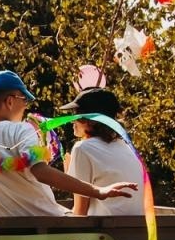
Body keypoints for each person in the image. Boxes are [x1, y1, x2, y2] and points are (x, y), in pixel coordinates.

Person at [0, 70, 135, 218]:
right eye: (24, 100)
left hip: (2, 231)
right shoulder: (21, 130)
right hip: (46, 224)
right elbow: (40, 172)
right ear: (10, 101)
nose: (26, 106)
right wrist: (98, 191)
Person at [60, 87, 146, 217]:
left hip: (103, 231)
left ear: (90, 121)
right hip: (135, 229)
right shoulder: (127, 147)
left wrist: (70, 180)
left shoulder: (82, 149)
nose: (72, 120)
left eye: (76, 115)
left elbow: (80, 212)